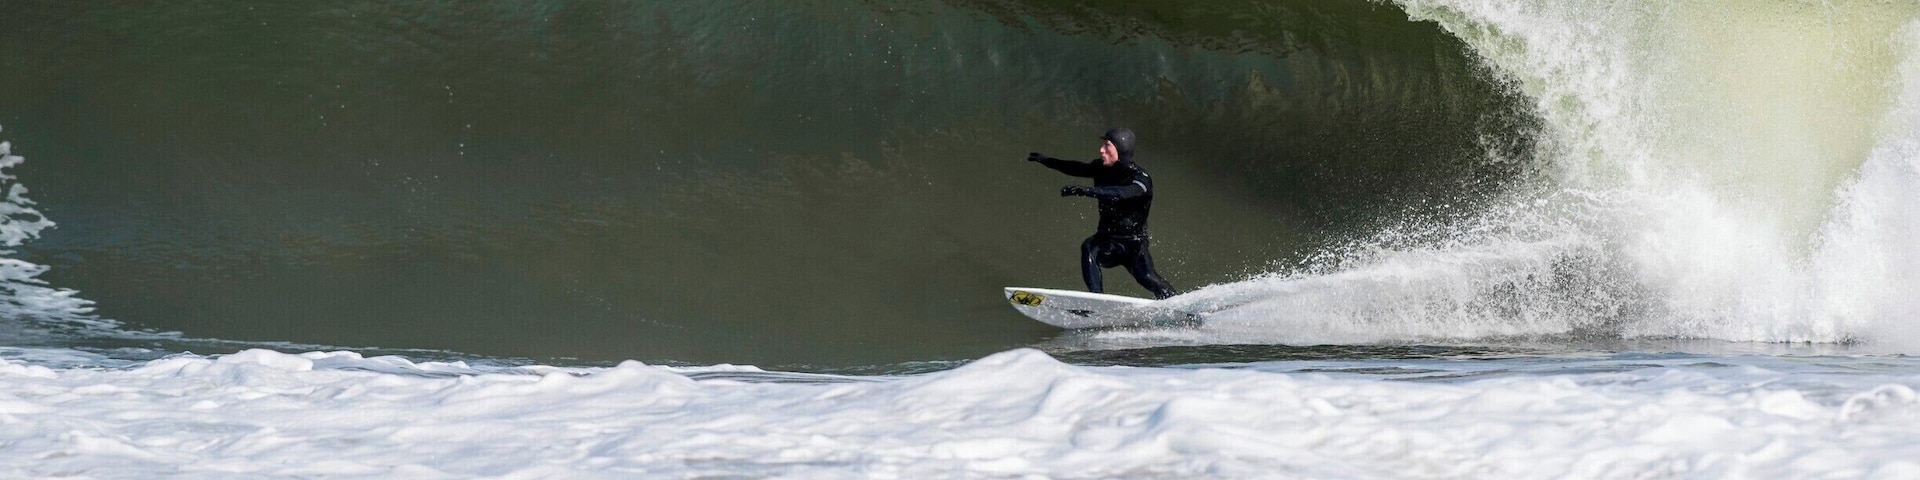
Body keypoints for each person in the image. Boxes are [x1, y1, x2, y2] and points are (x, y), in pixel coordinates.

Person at [1027, 127, 1179, 299]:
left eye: (1107, 145)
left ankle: (1180, 307)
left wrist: (1088, 191)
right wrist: (1047, 161)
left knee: (1148, 278)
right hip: (1108, 240)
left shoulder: (1140, 178)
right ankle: (1096, 300)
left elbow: (1122, 192)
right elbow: (1077, 168)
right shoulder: (1102, 168)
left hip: (1134, 245)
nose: (1101, 150)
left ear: (1120, 149)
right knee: (1089, 247)